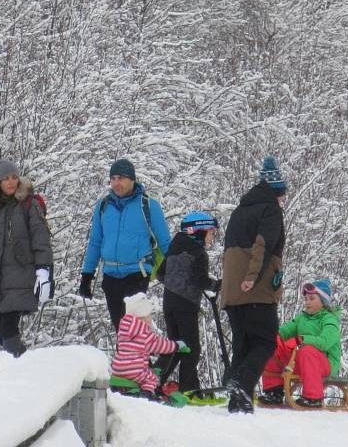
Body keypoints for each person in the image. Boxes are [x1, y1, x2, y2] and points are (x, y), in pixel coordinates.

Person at [220, 155, 287, 413]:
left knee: (243, 344)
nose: (282, 200)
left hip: (232, 292)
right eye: (282, 195)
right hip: (256, 289)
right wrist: (252, 278)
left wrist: (235, 284)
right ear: (276, 192)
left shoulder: (240, 210)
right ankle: (241, 382)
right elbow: (263, 245)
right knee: (266, 341)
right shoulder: (270, 209)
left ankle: (239, 403)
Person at [0, 160, 53, 357]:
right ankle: (23, 365)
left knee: (8, 329)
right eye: (5, 178)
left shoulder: (28, 205)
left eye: (14, 177)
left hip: (20, 276)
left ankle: (23, 371)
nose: (11, 182)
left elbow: (40, 238)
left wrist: (43, 270)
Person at [78, 158, 172, 331]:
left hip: (136, 275)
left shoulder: (148, 206)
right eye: (113, 178)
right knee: (121, 331)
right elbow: (95, 242)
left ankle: (146, 357)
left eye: (120, 178)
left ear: (132, 179)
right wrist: (87, 275)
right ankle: (136, 358)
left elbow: (166, 242)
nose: (116, 183)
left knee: (134, 330)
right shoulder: (103, 205)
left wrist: (175, 271)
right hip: (110, 277)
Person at [156, 211, 221, 403]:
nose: (211, 238)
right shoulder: (198, 253)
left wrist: (175, 282)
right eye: (210, 233)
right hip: (186, 304)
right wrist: (216, 285)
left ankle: (153, 381)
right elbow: (199, 280)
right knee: (191, 348)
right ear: (198, 232)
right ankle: (189, 390)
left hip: (169, 303)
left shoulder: (173, 248)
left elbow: (160, 274)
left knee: (174, 346)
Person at [258, 279, 341, 408]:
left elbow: (325, 342)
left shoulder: (330, 320)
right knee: (271, 345)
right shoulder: (301, 318)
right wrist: (272, 336)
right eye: (306, 299)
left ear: (323, 302)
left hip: (325, 363)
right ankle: (274, 391)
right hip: (301, 361)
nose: (307, 302)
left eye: (312, 298)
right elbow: (284, 331)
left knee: (307, 350)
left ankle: (313, 397)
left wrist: (301, 339)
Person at [110, 292, 187, 398]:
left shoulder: (123, 329)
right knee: (152, 378)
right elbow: (159, 345)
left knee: (143, 372)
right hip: (134, 369)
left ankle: (116, 389)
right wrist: (176, 346)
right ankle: (146, 394)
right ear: (143, 317)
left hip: (117, 368)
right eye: (149, 315)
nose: (150, 318)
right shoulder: (143, 332)